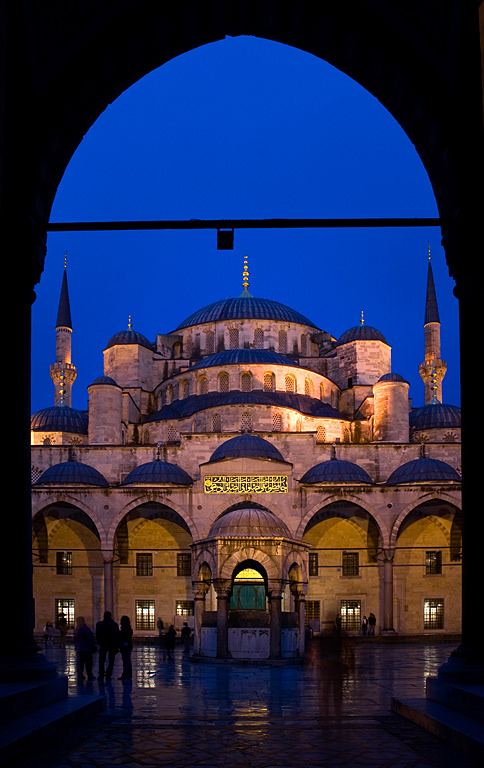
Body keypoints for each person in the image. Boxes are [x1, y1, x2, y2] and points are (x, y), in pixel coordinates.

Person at [96, 610, 120, 681]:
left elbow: (97, 635)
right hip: (112, 645)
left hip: (103, 644)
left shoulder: (99, 624)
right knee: (111, 661)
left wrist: (99, 642)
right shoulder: (114, 624)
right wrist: (117, 645)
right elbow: (117, 635)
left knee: (101, 660)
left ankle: (101, 674)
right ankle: (108, 674)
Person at [74, 616, 96, 682]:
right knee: (88, 663)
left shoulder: (76, 629)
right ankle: (89, 675)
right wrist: (93, 646)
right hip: (86, 649)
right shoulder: (85, 629)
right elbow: (90, 638)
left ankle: (80, 675)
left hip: (79, 648)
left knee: (80, 663)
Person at [119, 615, 133, 680]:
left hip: (125, 646)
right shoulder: (129, 629)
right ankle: (128, 674)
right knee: (128, 661)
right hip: (129, 646)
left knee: (125, 661)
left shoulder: (124, 629)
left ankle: (126, 674)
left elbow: (122, 637)